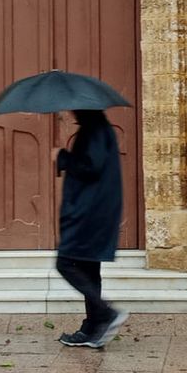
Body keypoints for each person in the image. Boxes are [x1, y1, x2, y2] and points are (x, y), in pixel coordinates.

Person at [54, 109, 129, 348]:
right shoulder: (98, 129)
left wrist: (63, 157)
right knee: (88, 267)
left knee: (66, 263)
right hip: (95, 211)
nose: (70, 112)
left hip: (88, 213)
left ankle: (106, 313)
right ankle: (93, 326)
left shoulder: (94, 131)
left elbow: (90, 167)